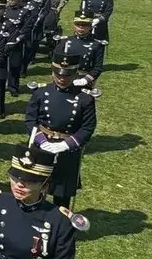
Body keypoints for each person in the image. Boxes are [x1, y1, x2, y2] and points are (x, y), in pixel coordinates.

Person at [24, 54, 97, 208]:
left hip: (67, 149)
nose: (62, 79)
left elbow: (87, 127)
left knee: (62, 193)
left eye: (67, 75)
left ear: (75, 74)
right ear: (52, 73)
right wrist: (41, 141)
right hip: (42, 146)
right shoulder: (41, 93)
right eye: (58, 74)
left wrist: (66, 144)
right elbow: (31, 120)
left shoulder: (85, 99)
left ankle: (61, 223)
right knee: (36, 187)